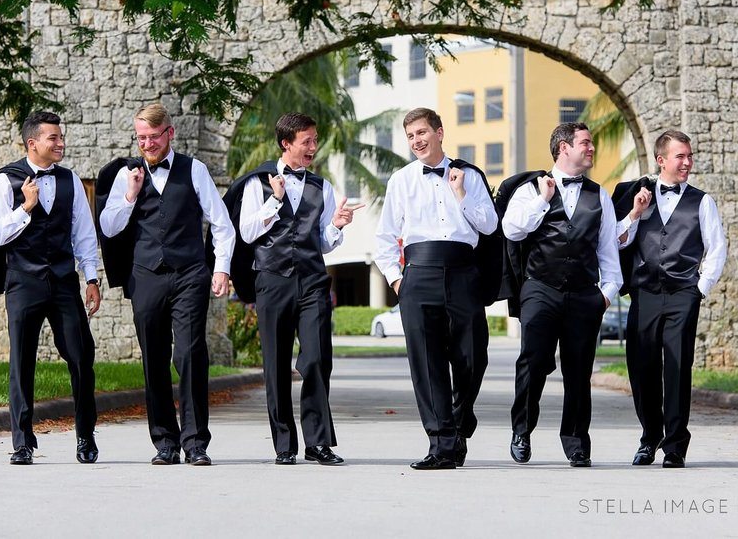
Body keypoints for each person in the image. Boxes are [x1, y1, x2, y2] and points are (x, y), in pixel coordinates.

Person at [99, 103, 235, 466]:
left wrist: (221, 268)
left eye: (153, 137)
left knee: (190, 354)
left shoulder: (195, 169)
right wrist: (129, 196)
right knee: (153, 358)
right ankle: (164, 441)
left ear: (169, 134)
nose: (147, 144)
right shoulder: (126, 174)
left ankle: (195, 442)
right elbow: (109, 227)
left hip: (190, 272)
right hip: (145, 276)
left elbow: (220, 222)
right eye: (141, 138)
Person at [232, 113, 363, 466]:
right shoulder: (256, 183)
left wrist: (336, 226)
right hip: (272, 281)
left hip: (312, 280)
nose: (313, 147)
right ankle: (284, 445)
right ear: (286, 143)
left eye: (314, 140)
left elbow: (322, 242)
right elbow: (246, 233)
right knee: (275, 364)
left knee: (317, 359)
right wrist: (274, 201)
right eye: (306, 141)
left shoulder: (322, 187)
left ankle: (318, 443)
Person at [375, 107, 498, 470]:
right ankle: (442, 443)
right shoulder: (401, 179)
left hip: (463, 273)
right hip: (418, 275)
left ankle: (459, 421)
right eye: (411, 136)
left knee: (473, 357)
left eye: (422, 132)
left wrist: (460, 193)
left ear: (440, 132)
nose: (416, 140)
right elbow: (385, 236)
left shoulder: (469, 175)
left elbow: (489, 226)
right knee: (427, 364)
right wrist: (398, 281)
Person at [0, 111, 100, 465]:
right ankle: (22, 442)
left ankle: (85, 436)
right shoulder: (4, 181)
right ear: (33, 143)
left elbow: (83, 233)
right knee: (21, 362)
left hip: (63, 283)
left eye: (61, 137)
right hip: (23, 283)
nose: (61, 143)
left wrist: (91, 278)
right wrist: (25, 209)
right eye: (54, 138)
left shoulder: (70, 180)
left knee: (81, 357)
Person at [501, 122, 624, 467]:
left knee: (578, 371)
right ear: (563, 148)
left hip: (585, 294)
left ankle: (576, 443)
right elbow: (512, 229)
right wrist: (543, 199)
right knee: (533, 362)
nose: (591, 148)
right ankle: (521, 431)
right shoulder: (530, 188)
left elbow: (607, 252)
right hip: (540, 288)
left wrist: (605, 294)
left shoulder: (599, 195)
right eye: (585, 143)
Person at [617, 130, 726, 468]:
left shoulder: (702, 201)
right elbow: (616, 241)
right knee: (641, 368)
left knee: (678, 370)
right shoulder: (637, 196)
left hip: (683, 295)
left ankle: (675, 445)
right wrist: (635, 214)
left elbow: (717, 247)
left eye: (690, 155)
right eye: (681, 156)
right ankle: (649, 437)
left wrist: (699, 288)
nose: (688, 162)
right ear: (661, 160)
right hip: (644, 294)